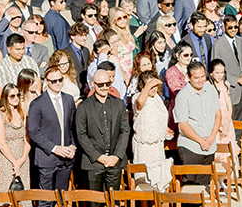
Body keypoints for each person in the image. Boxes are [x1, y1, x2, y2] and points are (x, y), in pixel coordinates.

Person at [74, 60, 130, 191]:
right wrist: (98, 157)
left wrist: (116, 156)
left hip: (115, 161)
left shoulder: (119, 104)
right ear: (93, 84)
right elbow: (81, 135)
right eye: (101, 85)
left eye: (108, 84)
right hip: (93, 162)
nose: (105, 87)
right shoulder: (83, 107)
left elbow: (124, 131)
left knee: (114, 202)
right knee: (94, 205)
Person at [27, 65, 78, 191]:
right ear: (46, 82)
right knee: (46, 200)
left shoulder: (68, 99)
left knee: (62, 197)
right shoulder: (37, 104)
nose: (57, 83)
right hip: (47, 158)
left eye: (60, 80)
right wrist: (54, 148)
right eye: (53, 81)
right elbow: (33, 131)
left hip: (66, 158)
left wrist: (72, 145)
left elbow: (72, 127)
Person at [172, 60, 221, 166]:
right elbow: (183, 124)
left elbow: (218, 115)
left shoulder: (211, 89)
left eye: (203, 76)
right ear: (188, 77)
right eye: (196, 78)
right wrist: (201, 141)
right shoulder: (183, 96)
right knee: (191, 182)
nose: (200, 80)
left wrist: (211, 137)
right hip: (191, 147)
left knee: (207, 182)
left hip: (210, 145)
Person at [131, 72, 172, 191]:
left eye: (155, 86)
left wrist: (165, 129)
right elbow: (140, 104)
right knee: (145, 182)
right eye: (150, 86)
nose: (153, 89)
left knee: (159, 180)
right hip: (144, 147)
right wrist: (149, 85)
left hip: (157, 146)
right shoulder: (137, 97)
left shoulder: (158, 99)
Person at [212, 10, 242, 119]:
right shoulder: (218, 45)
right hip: (230, 90)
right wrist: (236, 80)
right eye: (230, 27)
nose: (233, 30)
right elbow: (216, 71)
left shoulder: (240, 41)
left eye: (235, 27)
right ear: (225, 28)